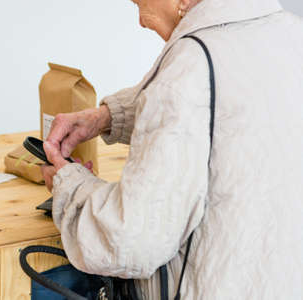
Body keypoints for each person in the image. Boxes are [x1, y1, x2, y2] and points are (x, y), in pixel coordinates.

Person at [41, 0, 303, 298]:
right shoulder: (291, 33)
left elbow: (131, 241)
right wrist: (108, 116)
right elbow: (232, 104)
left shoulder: (189, 66)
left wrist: (70, 186)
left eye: (139, 2)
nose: (140, 20)